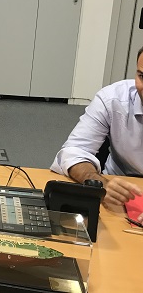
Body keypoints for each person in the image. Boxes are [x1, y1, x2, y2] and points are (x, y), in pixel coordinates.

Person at [51, 47, 143, 215]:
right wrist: (101, 185)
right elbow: (73, 152)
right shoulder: (112, 99)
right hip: (119, 194)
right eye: (142, 76)